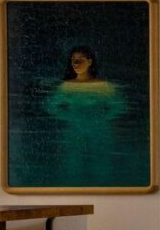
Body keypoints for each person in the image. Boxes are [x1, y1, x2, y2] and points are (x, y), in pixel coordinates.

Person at [42, 45, 127, 186]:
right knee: (73, 165)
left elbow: (119, 106)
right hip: (75, 131)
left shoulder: (103, 86)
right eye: (73, 60)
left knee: (101, 166)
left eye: (80, 60)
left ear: (90, 61)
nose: (75, 64)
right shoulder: (66, 86)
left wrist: (101, 118)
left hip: (99, 131)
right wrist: (70, 117)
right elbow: (50, 106)